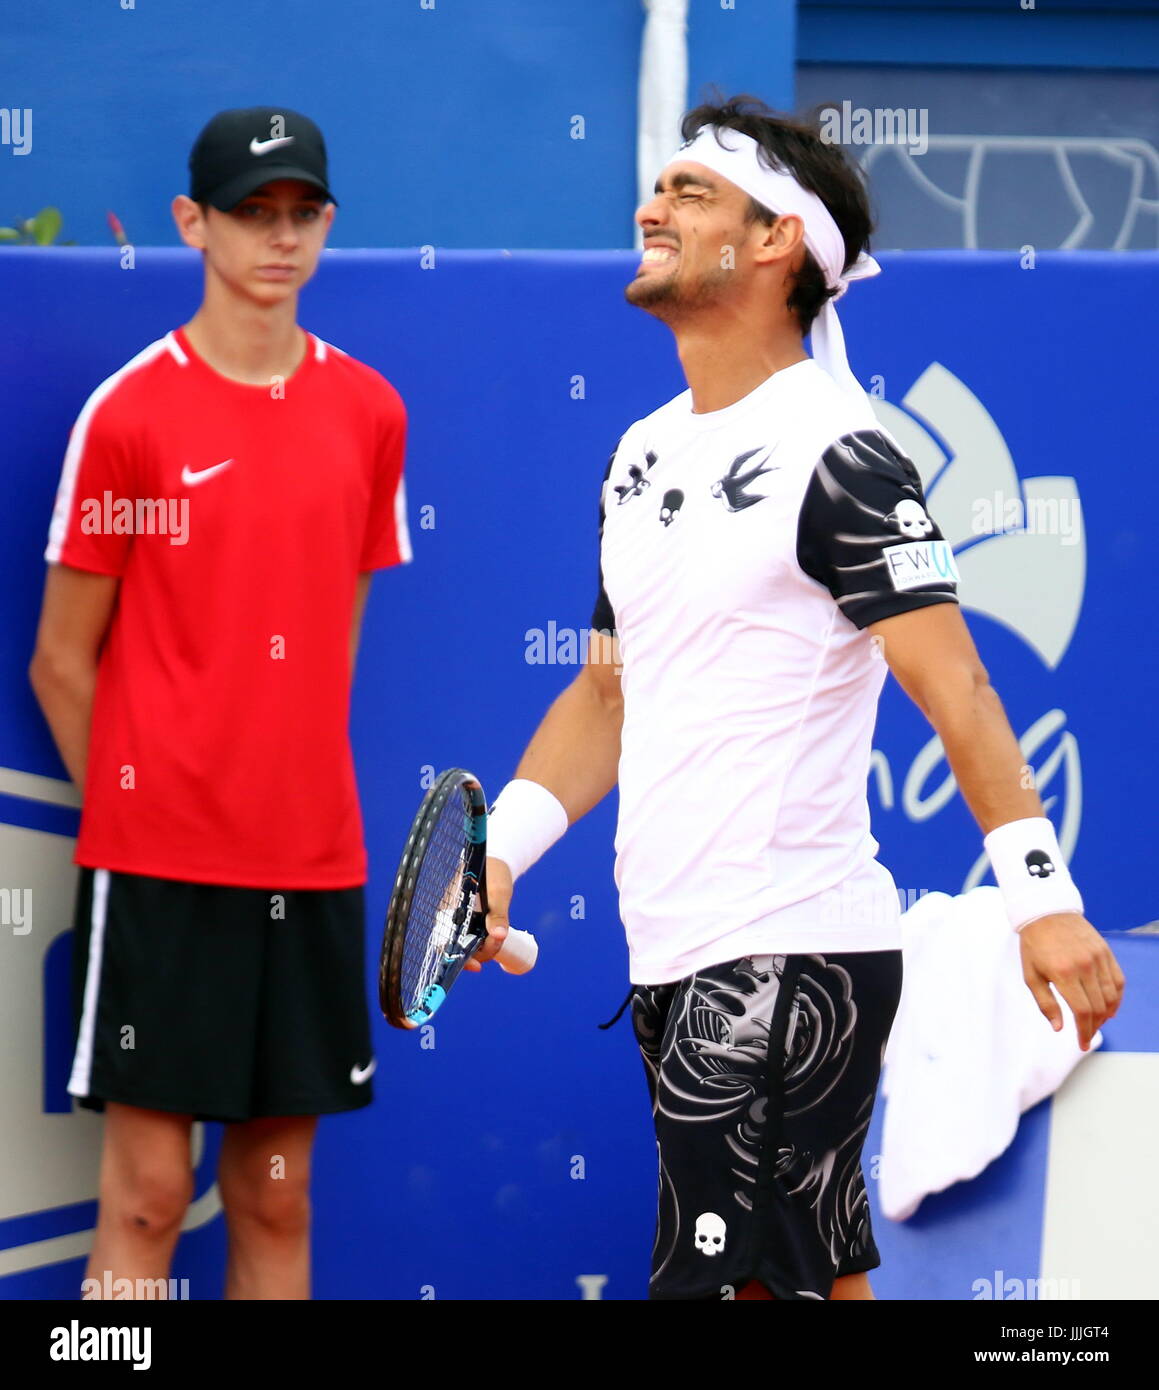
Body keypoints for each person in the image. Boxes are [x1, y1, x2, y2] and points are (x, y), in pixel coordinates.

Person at [469, 96, 1124, 1302]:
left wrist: (1043, 898)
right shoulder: (639, 452)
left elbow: (956, 683)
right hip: (679, 955)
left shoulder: (842, 453)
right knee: (810, 1283)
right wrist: (503, 849)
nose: (649, 208)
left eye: (689, 193)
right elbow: (609, 696)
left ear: (775, 245)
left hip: (786, 958)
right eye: (656, 186)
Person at [29, 107, 410, 1300]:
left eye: (302, 214)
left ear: (328, 224)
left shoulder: (370, 414)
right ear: (193, 223)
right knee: (144, 1200)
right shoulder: (130, 414)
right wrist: (148, 820)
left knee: (273, 1198)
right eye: (253, 213)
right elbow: (60, 660)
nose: (279, 238)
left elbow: (328, 657)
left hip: (310, 865)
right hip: (159, 875)